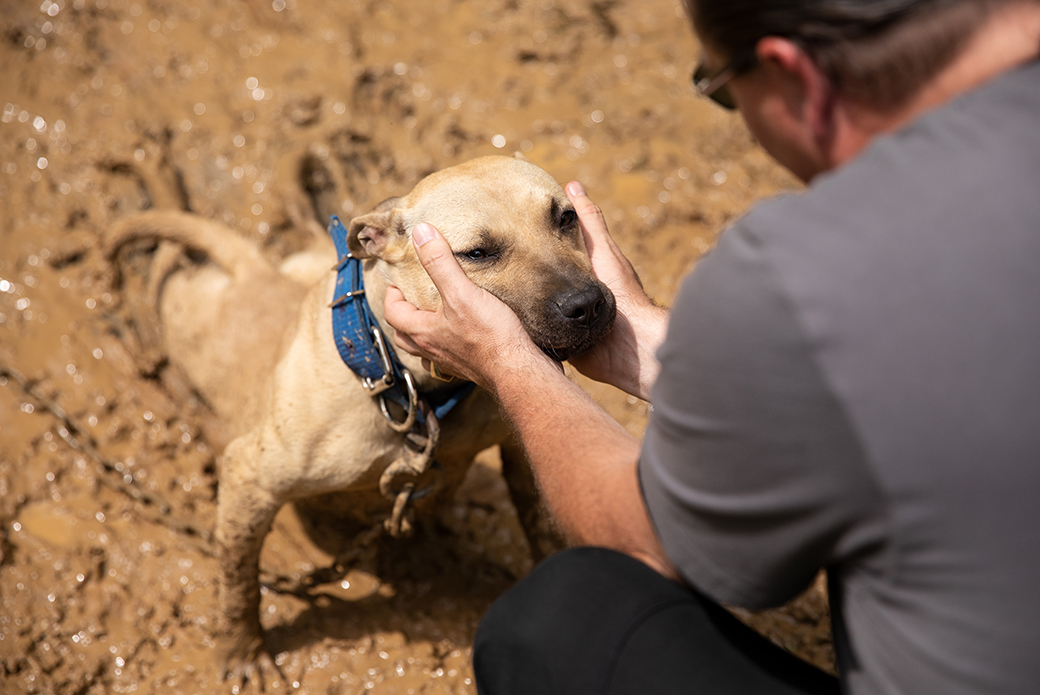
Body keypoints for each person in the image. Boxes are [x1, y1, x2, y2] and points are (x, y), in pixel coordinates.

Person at [384, 0, 1040, 692]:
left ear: (790, 74)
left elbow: (650, 542)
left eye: (722, 90)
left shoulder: (804, 272)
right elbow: (918, 384)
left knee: (557, 618)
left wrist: (507, 363)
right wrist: (646, 346)